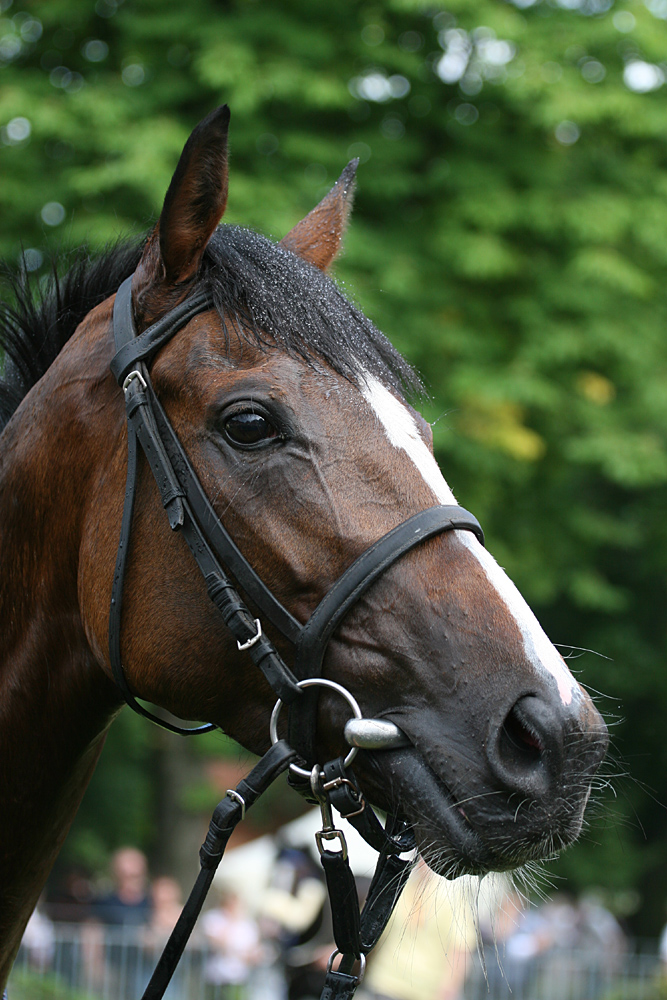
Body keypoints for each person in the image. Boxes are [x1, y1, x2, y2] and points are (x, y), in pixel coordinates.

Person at [363, 860, 477, 1000]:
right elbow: (373, 928)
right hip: (386, 982)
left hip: (426, 990)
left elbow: (460, 950)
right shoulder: (400, 886)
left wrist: (448, 989)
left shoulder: (453, 897)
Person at [201, 886, 262, 999]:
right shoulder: (213, 918)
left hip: (239, 977)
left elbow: (254, 951)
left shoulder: (248, 924)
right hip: (216, 977)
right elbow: (216, 943)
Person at [95, 846, 151, 926]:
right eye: (124, 876)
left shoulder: (152, 902)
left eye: (134, 876)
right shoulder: (105, 903)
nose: (130, 882)